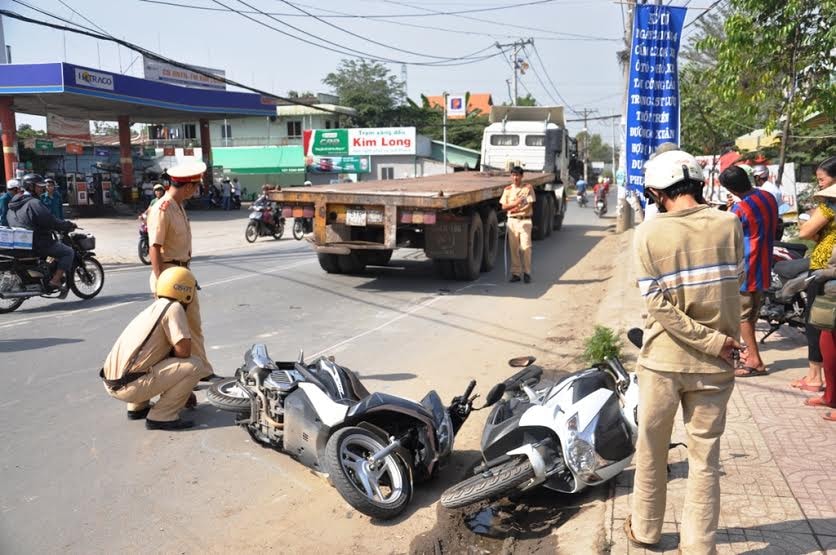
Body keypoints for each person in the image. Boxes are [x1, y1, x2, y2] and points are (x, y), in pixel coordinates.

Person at [626, 150, 743, 554]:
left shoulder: (647, 234)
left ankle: (645, 531)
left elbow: (657, 305)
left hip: (663, 361)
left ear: (657, 193)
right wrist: (718, 342)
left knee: (652, 451)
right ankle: (699, 547)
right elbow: (734, 287)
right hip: (717, 364)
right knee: (705, 461)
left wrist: (709, 341)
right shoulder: (730, 224)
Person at [100, 266, 203, 430]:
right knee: (195, 365)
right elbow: (184, 352)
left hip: (114, 382)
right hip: (129, 386)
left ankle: (137, 408)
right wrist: (184, 391)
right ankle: (162, 416)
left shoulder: (154, 308)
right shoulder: (174, 308)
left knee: (152, 359)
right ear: (187, 292)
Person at [146, 159, 217, 382]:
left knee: (193, 326)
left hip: (183, 274)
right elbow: (154, 248)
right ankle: (177, 377)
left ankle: (202, 371)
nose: (195, 192)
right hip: (169, 276)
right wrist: (160, 282)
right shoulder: (162, 208)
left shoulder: (178, 206)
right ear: (187, 186)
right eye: (195, 187)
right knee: (175, 332)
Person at [719, 165, 778, 378]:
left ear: (731, 189)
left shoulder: (739, 210)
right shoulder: (768, 197)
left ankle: (755, 360)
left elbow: (725, 232)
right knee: (752, 314)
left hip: (746, 268)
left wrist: (728, 210)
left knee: (742, 316)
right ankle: (751, 355)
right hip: (763, 265)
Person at [793, 156, 836, 393]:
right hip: (829, 266)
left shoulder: (829, 205)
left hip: (824, 267)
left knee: (816, 321)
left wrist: (810, 226)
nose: (820, 183)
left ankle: (815, 377)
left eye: (823, 179)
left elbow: (805, 231)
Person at [6, 174, 76, 293]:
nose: (42, 189)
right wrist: (67, 225)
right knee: (68, 252)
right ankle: (55, 280)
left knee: (51, 255)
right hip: (38, 242)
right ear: (31, 187)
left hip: (21, 242)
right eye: (39, 186)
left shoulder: (14, 203)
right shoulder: (34, 203)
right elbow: (50, 220)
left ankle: (44, 274)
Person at [500, 166, 535, 283]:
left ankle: (527, 272)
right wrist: (517, 203)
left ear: (522, 176)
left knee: (526, 247)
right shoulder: (507, 190)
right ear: (511, 176)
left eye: (517, 175)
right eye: (513, 175)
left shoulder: (528, 188)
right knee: (513, 248)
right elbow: (504, 207)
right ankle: (516, 273)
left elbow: (529, 204)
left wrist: (514, 208)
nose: (515, 177)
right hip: (512, 221)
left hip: (525, 220)